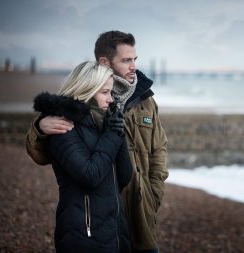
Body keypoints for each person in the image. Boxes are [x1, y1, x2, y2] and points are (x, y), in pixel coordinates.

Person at [26, 31, 168, 253]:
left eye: (135, 59)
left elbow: (159, 149)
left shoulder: (146, 101)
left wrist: (153, 194)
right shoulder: (73, 109)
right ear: (104, 61)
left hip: (140, 211)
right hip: (96, 216)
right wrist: (39, 128)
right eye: (126, 60)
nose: (133, 66)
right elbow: (42, 154)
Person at [33, 61, 133, 252]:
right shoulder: (62, 127)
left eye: (111, 92)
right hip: (83, 235)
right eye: (105, 92)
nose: (111, 99)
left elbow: (124, 176)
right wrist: (112, 135)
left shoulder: (103, 123)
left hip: (115, 231)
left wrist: (119, 132)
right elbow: (90, 175)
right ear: (85, 91)